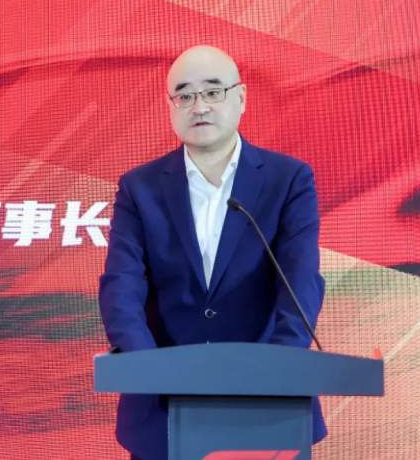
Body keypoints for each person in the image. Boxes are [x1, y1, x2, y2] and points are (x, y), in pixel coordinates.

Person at [99, 45, 326, 460]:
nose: (199, 106)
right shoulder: (139, 188)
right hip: (163, 413)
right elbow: (121, 289)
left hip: (266, 407)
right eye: (184, 95)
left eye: (213, 91)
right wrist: (153, 374)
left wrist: (271, 373)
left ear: (241, 97)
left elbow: (300, 284)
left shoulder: (289, 179)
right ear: (170, 106)